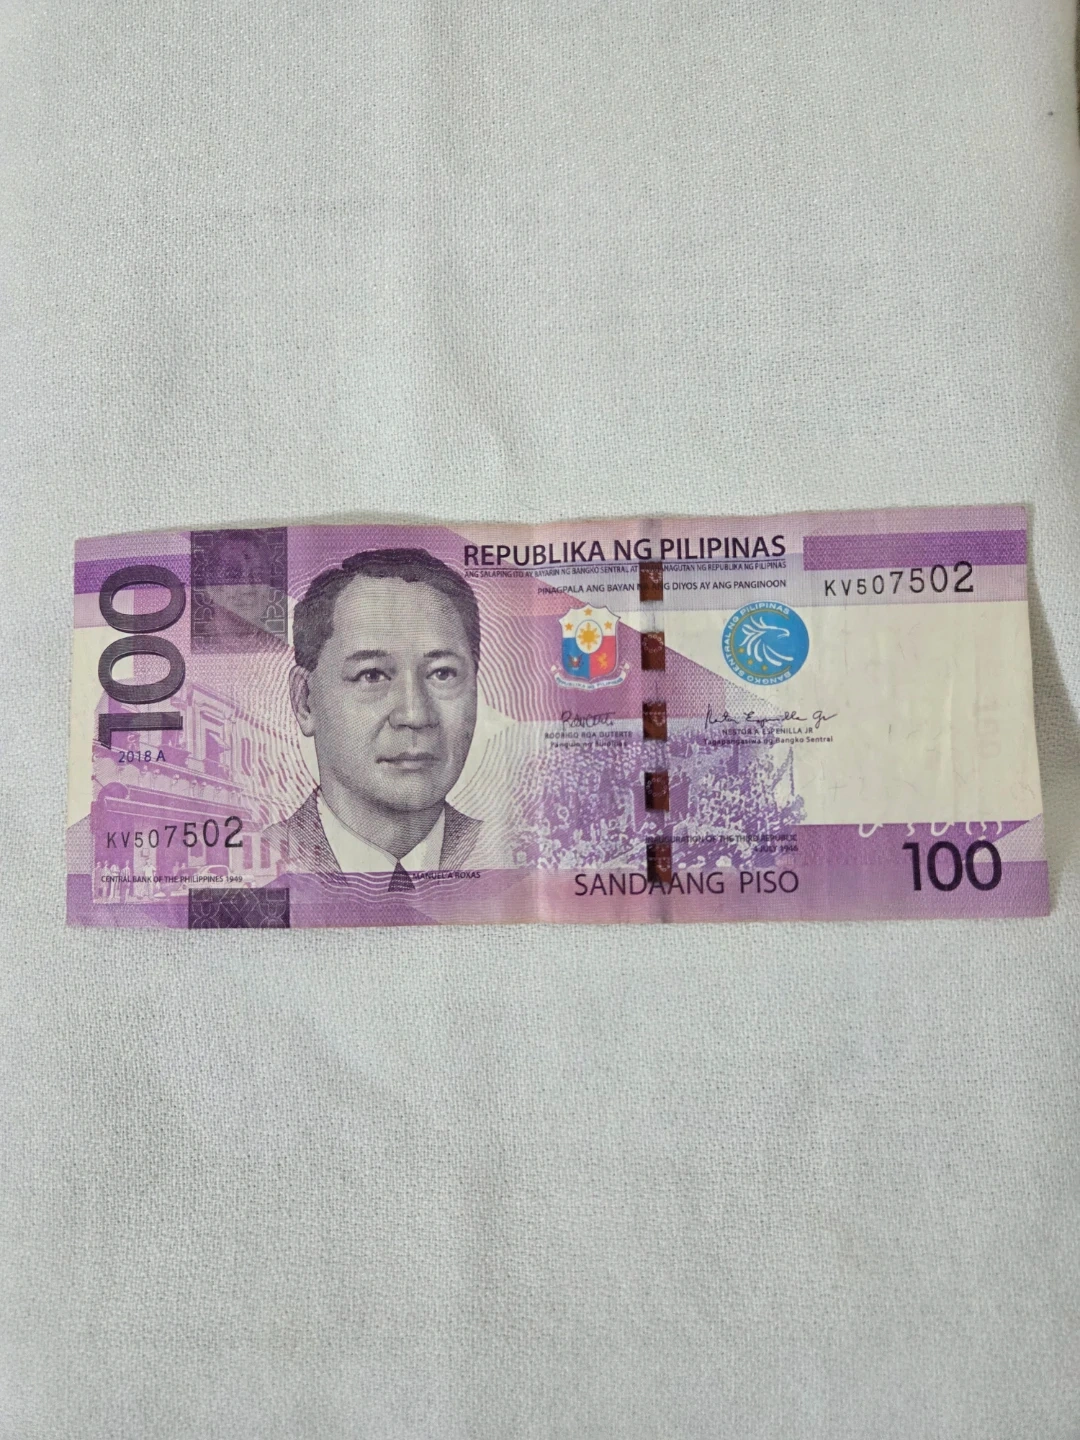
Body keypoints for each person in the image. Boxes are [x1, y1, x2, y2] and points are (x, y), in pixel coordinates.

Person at [266, 548, 482, 887]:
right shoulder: (257, 862)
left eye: (442, 673)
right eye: (372, 675)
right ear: (305, 701)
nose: (414, 715)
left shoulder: (513, 852)